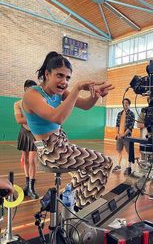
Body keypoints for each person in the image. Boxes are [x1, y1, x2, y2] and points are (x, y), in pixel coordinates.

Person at [22, 51, 114, 209]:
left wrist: (96, 95)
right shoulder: (32, 95)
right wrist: (77, 87)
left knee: (85, 171)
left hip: (61, 143)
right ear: (47, 74)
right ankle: (82, 209)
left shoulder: (60, 92)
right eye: (59, 76)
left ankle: (67, 198)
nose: (64, 81)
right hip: (50, 151)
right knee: (105, 163)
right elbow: (57, 117)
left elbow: (85, 105)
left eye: (68, 78)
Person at [14, 79, 39, 199]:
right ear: (25, 90)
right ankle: (27, 185)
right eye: (31, 90)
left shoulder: (39, 103)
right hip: (24, 132)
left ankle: (31, 187)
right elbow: (19, 120)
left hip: (35, 133)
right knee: (25, 160)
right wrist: (35, 118)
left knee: (32, 160)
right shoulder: (18, 104)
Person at [112, 98, 135, 174]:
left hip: (127, 136)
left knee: (129, 152)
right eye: (124, 103)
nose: (125, 104)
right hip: (119, 136)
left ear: (129, 104)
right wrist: (117, 133)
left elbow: (130, 126)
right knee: (119, 151)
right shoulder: (119, 113)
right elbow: (117, 124)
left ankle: (129, 166)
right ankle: (118, 165)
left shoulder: (131, 114)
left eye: (127, 103)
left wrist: (124, 134)